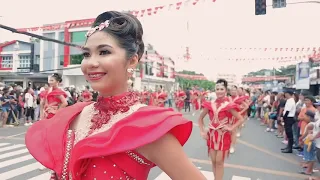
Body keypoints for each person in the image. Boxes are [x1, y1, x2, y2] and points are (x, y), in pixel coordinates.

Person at [26, 11, 205, 180]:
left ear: (132, 60)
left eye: (104, 52)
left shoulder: (147, 126)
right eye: (87, 54)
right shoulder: (72, 115)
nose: (91, 63)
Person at [198, 79, 244, 180]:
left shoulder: (229, 105)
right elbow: (200, 118)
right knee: (214, 162)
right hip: (211, 136)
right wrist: (202, 131)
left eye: (221, 89)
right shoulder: (209, 104)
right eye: (217, 89)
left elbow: (240, 119)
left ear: (225, 90)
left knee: (219, 162)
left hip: (223, 136)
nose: (219, 91)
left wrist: (231, 127)